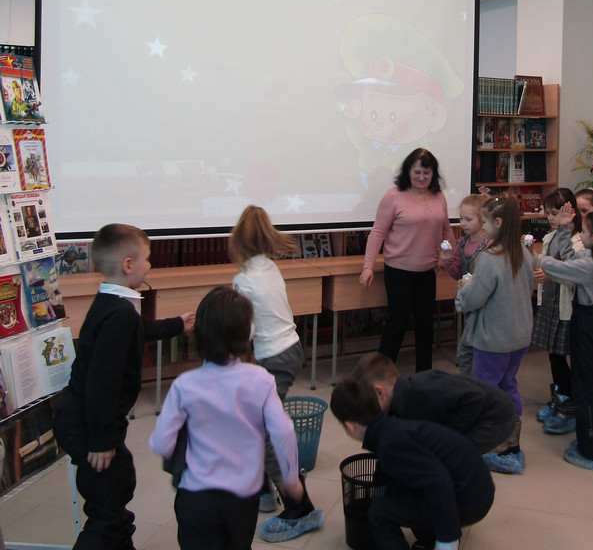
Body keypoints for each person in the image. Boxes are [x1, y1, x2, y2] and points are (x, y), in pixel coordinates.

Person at [53, 224, 194, 550]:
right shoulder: (119, 314)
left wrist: (176, 324)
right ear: (129, 265)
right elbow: (102, 384)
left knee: (114, 492)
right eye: (147, 258)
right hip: (89, 423)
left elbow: (139, 329)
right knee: (108, 509)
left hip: (84, 418)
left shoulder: (111, 302)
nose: (150, 265)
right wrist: (102, 441)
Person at [149, 287, 304, 550]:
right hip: (243, 497)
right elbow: (283, 431)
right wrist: (290, 478)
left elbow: (162, 444)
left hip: (197, 496)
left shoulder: (185, 385)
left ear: (198, 335)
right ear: (247, 334)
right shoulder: (261, 380)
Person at [227, 205, 324, 543]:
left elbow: (247, 331)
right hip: (292, 349)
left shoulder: (243, 280)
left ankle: (299, 506)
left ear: (238, 242)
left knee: (266, 430)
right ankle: (264, 491)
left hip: (274, 357)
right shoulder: (270, 267)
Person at [330, 377, 495, 550]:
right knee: (400, 491)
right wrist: (378, 489)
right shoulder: (391, 427)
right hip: (475, 486)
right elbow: (395, 471)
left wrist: (447, 541)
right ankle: (428, 539)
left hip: (469, 500)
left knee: (379, 513)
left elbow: (438, 482)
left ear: (350, 426)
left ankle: (438, 537)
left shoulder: (390, 444)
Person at [530, 207, 593, 472]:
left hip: (588, 329)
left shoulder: (591, 265)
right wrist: (563, 229)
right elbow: (571, 258)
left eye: (583, 231)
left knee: (586, 388)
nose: (580, 236)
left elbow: (558, 265)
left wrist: (534, 255)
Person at [456, 194, 535, 473]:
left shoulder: (490, 259)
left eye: (486, 221)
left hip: (493, 339)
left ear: (498, 223)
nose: (484, 226)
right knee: (508, 384)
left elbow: (473, 300)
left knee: (485, 389)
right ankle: (511, 443)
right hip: (519, 335)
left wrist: (465, 287)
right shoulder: (524, 252)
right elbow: (528, 287)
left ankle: (493, 443)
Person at [360, 148, 455, 372]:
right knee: (397, 325)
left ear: (433, 174)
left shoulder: (439, 196)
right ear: (408, 172)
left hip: (428, 271)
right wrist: (368, 267)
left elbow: (446, 231)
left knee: (425, 326)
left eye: (426, 173)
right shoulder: (393, 196)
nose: (422, 177)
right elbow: (378, 233)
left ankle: (424, 376)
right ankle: (380, 375)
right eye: (417, 172)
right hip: (399, 272)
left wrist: (453, 260)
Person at [352, 352, 515, 454]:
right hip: (473, 410)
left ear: (380, 392)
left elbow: (475, 397)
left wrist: (447, 433)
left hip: (495, 417)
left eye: (369, 403)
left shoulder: (424, 390)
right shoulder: (399, 400)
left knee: (449, 453)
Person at [529, 188, 584, 435]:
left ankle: (570, 404)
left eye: (554, 213)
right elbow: (542, 265)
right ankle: (560, 397)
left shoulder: (578, 242)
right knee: (553, 355)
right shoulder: (550, 237)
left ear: (569, 212)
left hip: (565, 308)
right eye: (548, 213)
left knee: (562, 356)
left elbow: (574, 277)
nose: (550, 218)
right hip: (549, 304)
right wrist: (530, 254)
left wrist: (551, 276)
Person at [441, 193, 492, 376]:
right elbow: (457, 274)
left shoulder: (489, 243)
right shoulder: (461, 243)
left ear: (483, 219)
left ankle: (473, 383)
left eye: (468, 219)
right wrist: (448, 259)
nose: (463, 223)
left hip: (485, 305)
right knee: (469, 348)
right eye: (461, 218)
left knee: (468, 350)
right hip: (469, 302)